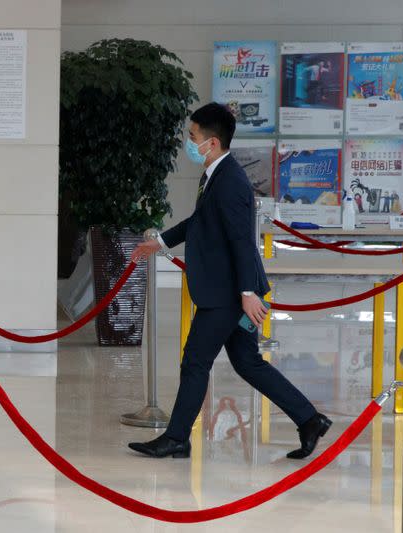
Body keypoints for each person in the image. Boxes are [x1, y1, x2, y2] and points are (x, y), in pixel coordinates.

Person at [128, 103, 331, 460]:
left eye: (193, 137)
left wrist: (248, 293)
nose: (188, 143)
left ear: (213, 142)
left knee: (195, 362)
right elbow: (199, 222)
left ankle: (176, 437)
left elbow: (241, 240)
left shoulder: (231, 181)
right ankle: (309, 419)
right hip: (229, 289)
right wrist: (158, 242)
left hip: (227, 293)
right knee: (247, 362)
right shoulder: (216, 175)